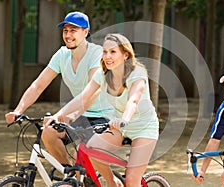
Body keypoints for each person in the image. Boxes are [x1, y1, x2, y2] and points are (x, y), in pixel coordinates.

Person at [44, 33, 159, 187]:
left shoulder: (137, 73)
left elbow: (133, 99)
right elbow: (82, 98)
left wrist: (124, 119)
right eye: (105, 52)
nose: (107, 56)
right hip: (118, 127)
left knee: (132, 180)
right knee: (90, 149)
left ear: (125, 55)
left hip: (143, 128)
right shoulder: (102, 75)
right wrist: (58, 116)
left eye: (113, 52)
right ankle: (113, 183)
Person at [5, 11, 112, 166]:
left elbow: (90, 93)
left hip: (104, 116)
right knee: (48, 132)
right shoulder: (62, 55)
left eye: (73, 31)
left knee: (79, 153)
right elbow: (38, 85)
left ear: (85, 32)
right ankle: (71, 175)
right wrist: (18, 110)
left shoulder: (97, 54)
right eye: (65, 31)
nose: (68, 35)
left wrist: (61, 115)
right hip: (79, 115)